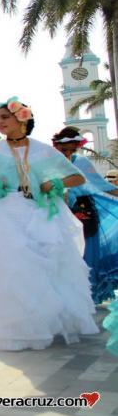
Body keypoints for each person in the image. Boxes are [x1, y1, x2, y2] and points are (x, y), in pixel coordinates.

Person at [0, 97, 98, 351]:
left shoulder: (43, 149)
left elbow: (77, 177)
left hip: (41, 212)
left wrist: (55, 183)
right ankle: (20, 329)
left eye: (4, 117)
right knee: (14, 268)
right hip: (6, 212)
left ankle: (50, 324)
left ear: (22, 118)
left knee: (50, 267)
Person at [52, 126, 118, 303]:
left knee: (86, 252)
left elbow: (103, 185)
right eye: (64, 149)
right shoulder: (47, 163)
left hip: (83, 211)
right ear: (56, 146)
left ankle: (87, 296)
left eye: (72, 150)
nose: (67, 153)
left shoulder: (81, 162)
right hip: (55, 211)